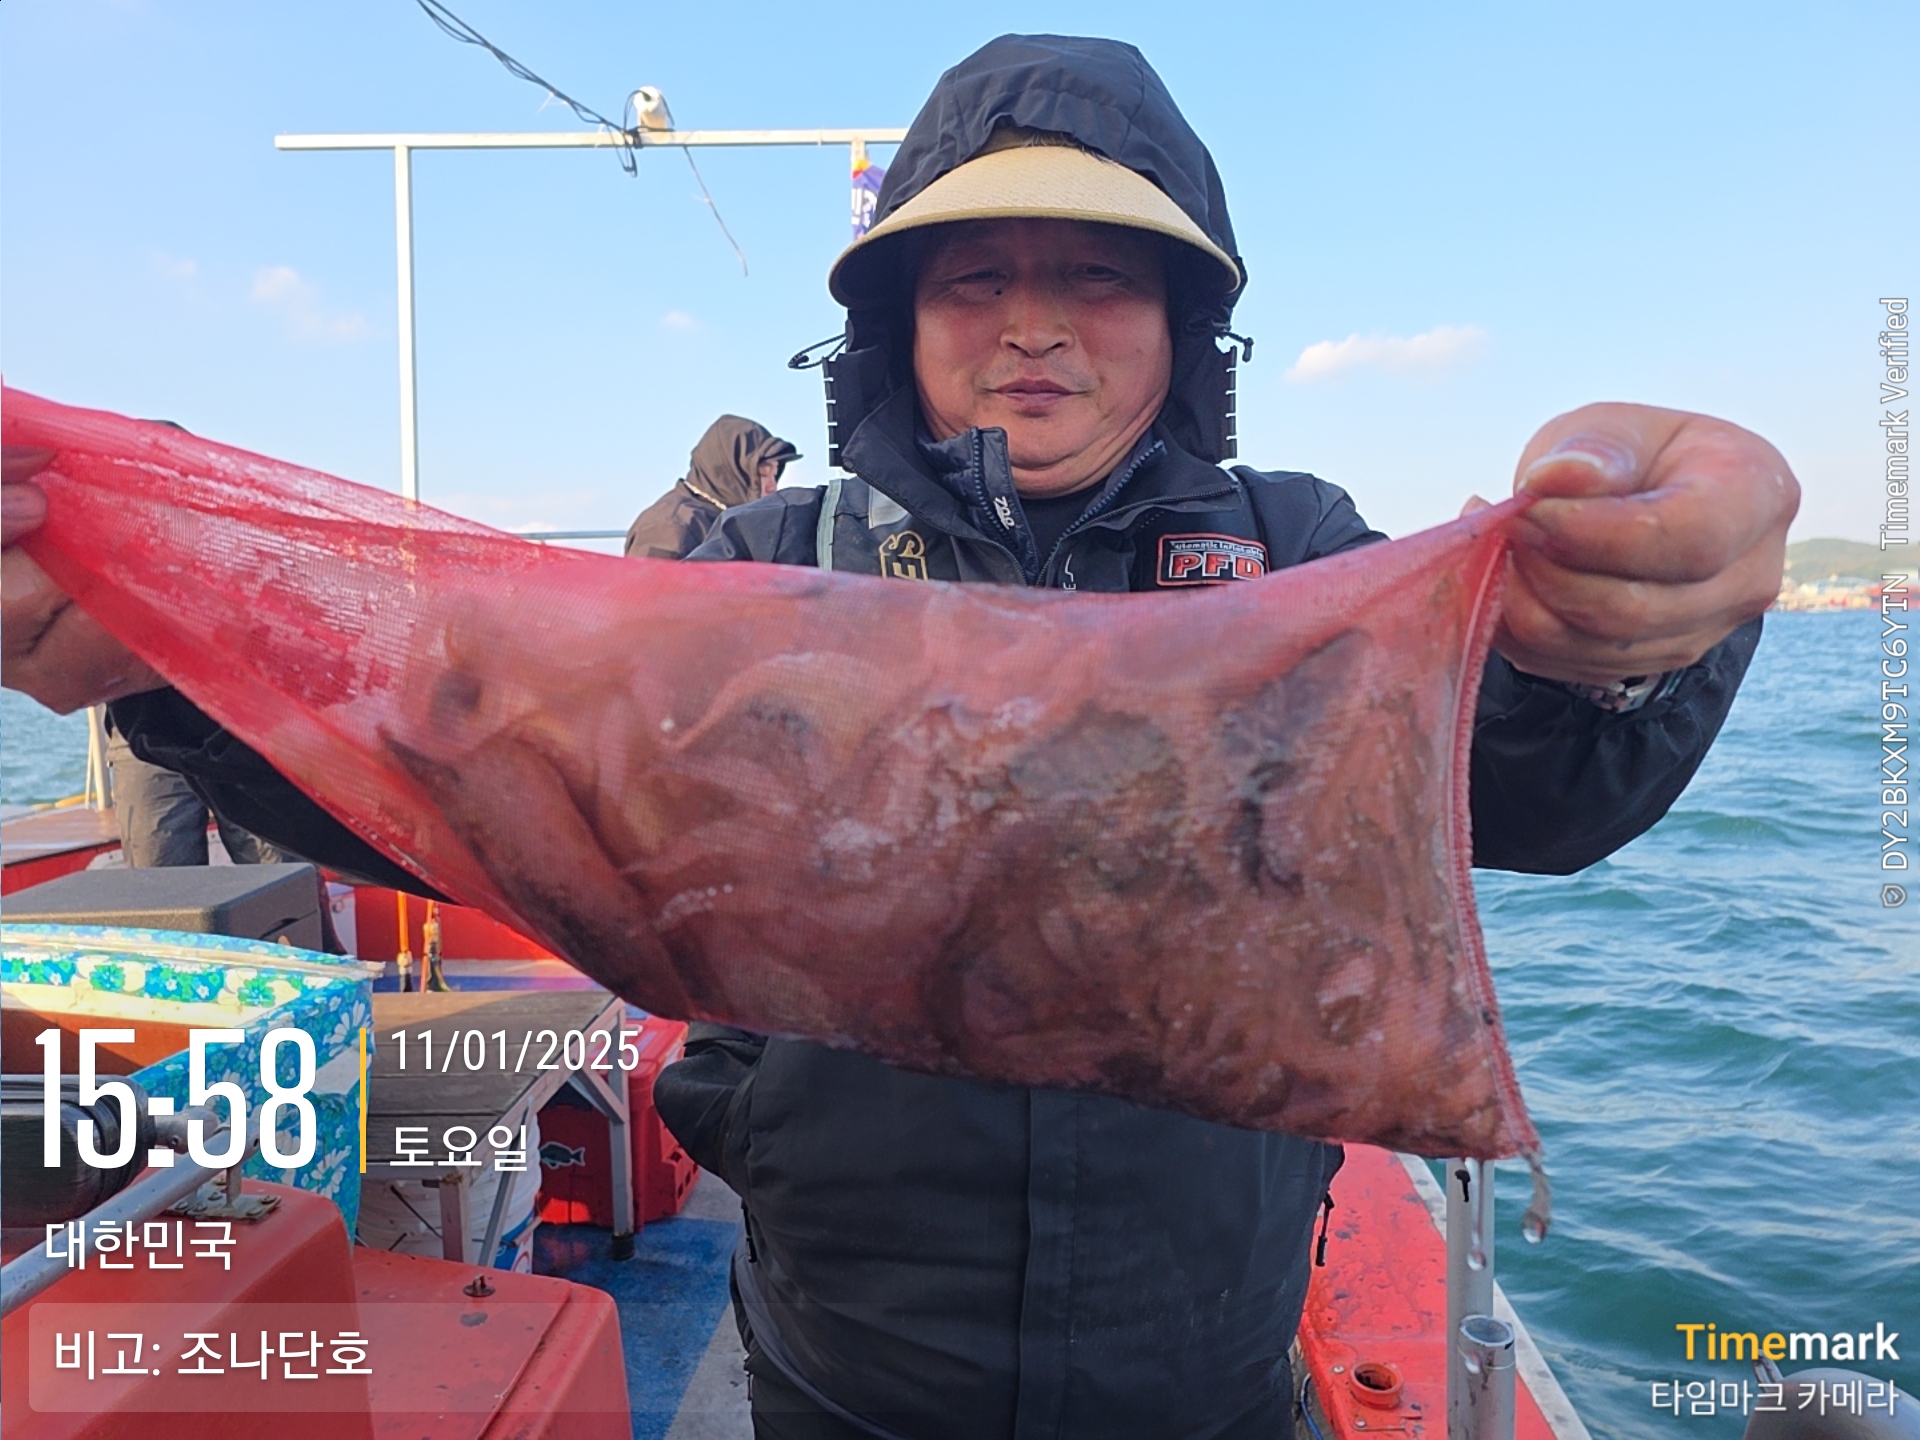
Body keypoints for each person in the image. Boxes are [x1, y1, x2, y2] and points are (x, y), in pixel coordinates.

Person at [0, 33, 1795, 1440]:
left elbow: (1531, 798)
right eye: (972, 278)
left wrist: (1641, 634)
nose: (1034, 326)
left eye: (1099, 277)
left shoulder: (1308, 555)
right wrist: (170, 672)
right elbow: (484, 782)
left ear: (1186, 322)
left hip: (1211, 1366)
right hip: (847, 1361)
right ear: (895, 318)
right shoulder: (756, 568)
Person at [623, 414, 801, 560]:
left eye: (775, 474)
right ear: (728, 469)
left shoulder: (729, 519)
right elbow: (648, 592)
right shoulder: (670, 526)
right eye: (763, 473)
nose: (772, 487)